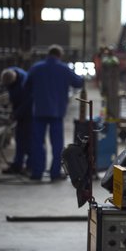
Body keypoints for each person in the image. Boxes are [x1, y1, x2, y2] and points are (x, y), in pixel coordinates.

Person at [25, 44, 84, 181]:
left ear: (48, 54)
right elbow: (78, 83)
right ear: (59, 55)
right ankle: (54, 173)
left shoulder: (36, 67)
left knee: (37, 142)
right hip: (57, 112)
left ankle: (37, 173)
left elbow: (26, 86)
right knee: (57, 144)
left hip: (39, 111)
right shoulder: (64, 69)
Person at [0, 67, 32, 175]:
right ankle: (18, 165)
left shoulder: (24, 83)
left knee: (28, 141)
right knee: (19, 139)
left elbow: (27, 103)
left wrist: (15, 114)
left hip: (29, 114)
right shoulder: (9, 74)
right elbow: (14, 98)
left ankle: (29, 166)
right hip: (20, 112)